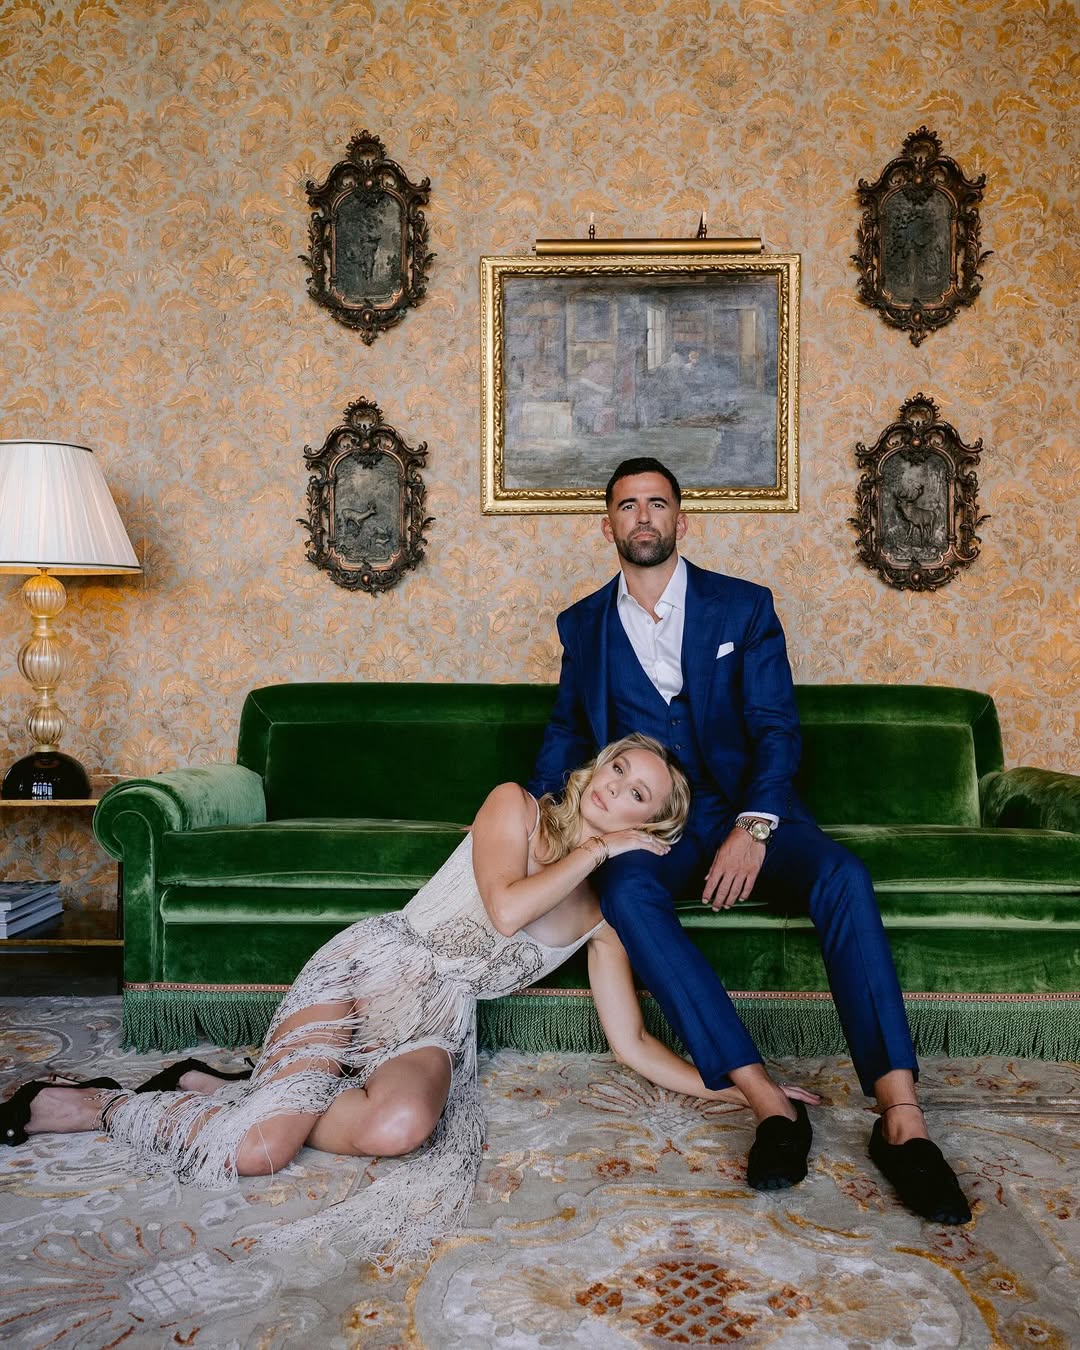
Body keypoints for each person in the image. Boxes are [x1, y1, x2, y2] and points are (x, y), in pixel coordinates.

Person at [0, 734, 817, 1261]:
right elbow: (506, 908)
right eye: (618, 769)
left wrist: (740, 1089)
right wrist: (598, 849)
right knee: (261, 1152)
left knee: (401, 1129)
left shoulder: (604, 922)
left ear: (655, 828)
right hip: (370, 969)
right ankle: (94, 1103)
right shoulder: (514, 806)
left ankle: (226, 1087)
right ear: (595, 768)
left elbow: (631, 1044)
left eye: (639, 794)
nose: (617, 788)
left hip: (434, 1018)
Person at [529, 456, 972, 1225]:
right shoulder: (582, 625)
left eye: (657, 503)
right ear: (607, 526)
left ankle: (902, 1118)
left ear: (682, 521)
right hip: (657, 827)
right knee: (625, 895)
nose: (643, 517)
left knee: (843, 876)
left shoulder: (744, 606)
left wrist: (754, 825)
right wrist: (539, 812)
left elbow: (776, 729)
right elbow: (568, 731)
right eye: (628, 505)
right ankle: (768, 1103)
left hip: (751, 809)